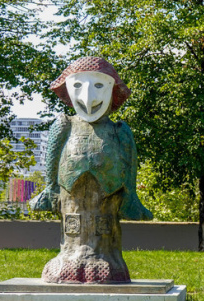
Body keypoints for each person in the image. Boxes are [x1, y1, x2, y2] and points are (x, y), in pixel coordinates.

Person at [31, 57, 152, 283]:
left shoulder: (119, 130)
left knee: (104, 227)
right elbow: (53, 156)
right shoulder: (64, 124)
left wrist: (130, 195)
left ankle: (108, 260)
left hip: (109, 194)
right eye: (78, 85)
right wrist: (50, 189)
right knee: (73, 225)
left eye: (98, 85)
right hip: (70, 192)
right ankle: (69, 259)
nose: (88, 97)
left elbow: (130, 162)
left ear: (111, 90)